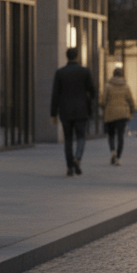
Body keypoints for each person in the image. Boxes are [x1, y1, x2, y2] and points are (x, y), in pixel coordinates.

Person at [50, 47, 96, 176]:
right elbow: (92, 91)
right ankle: (78, 158)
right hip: (81, 110)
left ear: (67, 57)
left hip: (65, 111)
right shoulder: (85, 72)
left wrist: (53, 113)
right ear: (77, 56)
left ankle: (69, 167)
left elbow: (55, 94)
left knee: (68, 139)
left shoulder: (60, 72)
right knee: (81, 137)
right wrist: (88, 99)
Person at [101, 67, 135, 166]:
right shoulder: (126, 86)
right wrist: (132, 111)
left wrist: (104, 109)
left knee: (111, 135)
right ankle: (118, 158)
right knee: (120, 136)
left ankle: (113, 152)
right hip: (122, 114)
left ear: (113, 74)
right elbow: (130, 100)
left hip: (110, 114)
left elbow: (103, 101)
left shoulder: (107, 85)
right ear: (121, 75)